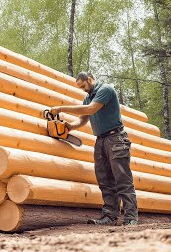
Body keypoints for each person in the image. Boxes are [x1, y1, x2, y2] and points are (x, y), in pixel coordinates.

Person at [50, 72, 138, 226]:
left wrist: (61, 108)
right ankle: (109, 216)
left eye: (83, 86)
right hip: (101, 140)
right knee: (104, 180)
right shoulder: (87, 97)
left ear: (89, 79)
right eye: (80, 87)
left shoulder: (105, 90)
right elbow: (83, 120)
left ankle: (131, 218)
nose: (83, 89)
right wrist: (69, 127)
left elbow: (90, 110)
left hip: (116, 138)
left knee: (122, 179)